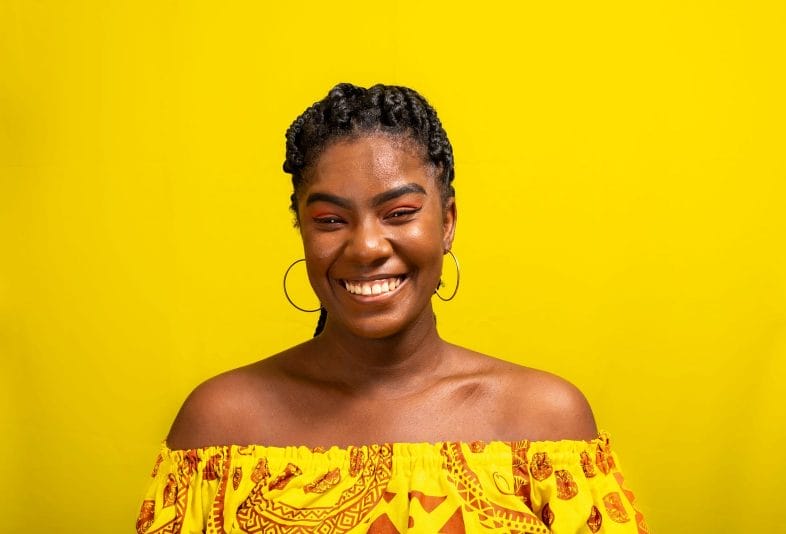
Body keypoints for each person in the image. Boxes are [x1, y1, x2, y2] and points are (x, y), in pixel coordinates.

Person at [137, 83, 648, 533]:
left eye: (399, 213)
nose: (366, 247)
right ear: (302, 230)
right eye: (331, 220)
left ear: (447, 221)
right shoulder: (220, 429)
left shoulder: (543, 424)